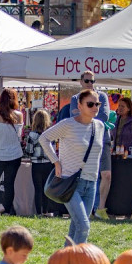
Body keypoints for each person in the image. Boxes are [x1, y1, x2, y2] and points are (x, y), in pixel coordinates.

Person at [40, 89, 107, 244]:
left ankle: (65, 261)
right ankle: (77, 263)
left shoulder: (99, 126)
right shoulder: (68, 124)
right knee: (84, 226)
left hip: (91, 183)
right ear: (80, 105)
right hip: (70, 182)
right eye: (90, 104)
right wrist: (55, 161)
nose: (95, 107)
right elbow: (44, 139)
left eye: (97, 104)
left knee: (76, 227)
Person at [58, 72, 112, 218]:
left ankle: (100, 209)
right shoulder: (75, 98)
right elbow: (74, 117)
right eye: (87, 80)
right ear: (81, 81)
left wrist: (85, 114)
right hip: (82, 141)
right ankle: (83, 211)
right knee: (84, 175)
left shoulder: (102, 96)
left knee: (105, 175)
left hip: (101, 139)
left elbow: (104, 116)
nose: (90, 83)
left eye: (93, 80)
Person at [0, 88, 24, 216]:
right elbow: (18, 137)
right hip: (14, 154)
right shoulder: (19, 115)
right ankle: (7, 209)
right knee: (9, 183)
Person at [25, 109, 55, 216]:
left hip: (36, 164)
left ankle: (38, 212)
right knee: (46, 189)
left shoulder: (32, 135)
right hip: (48, 163)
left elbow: (29, 151)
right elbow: (54, 151)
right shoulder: (51, 134)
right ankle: (46, 211)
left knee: (38, 189)